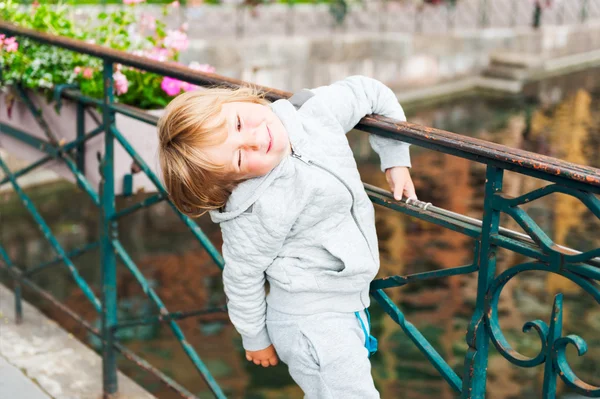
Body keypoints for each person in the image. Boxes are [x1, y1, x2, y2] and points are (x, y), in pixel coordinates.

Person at [157, 75, 417, 398]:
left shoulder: (311, 112)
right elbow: (241, 276)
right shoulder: (253, 209)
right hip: (310, 321)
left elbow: (372, 92)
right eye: (239, 158)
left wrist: (395, 160)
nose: (252, 140)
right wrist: (255, 338)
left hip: (344, 299)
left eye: (238, 124)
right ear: (233, 184)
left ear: (241, 99)